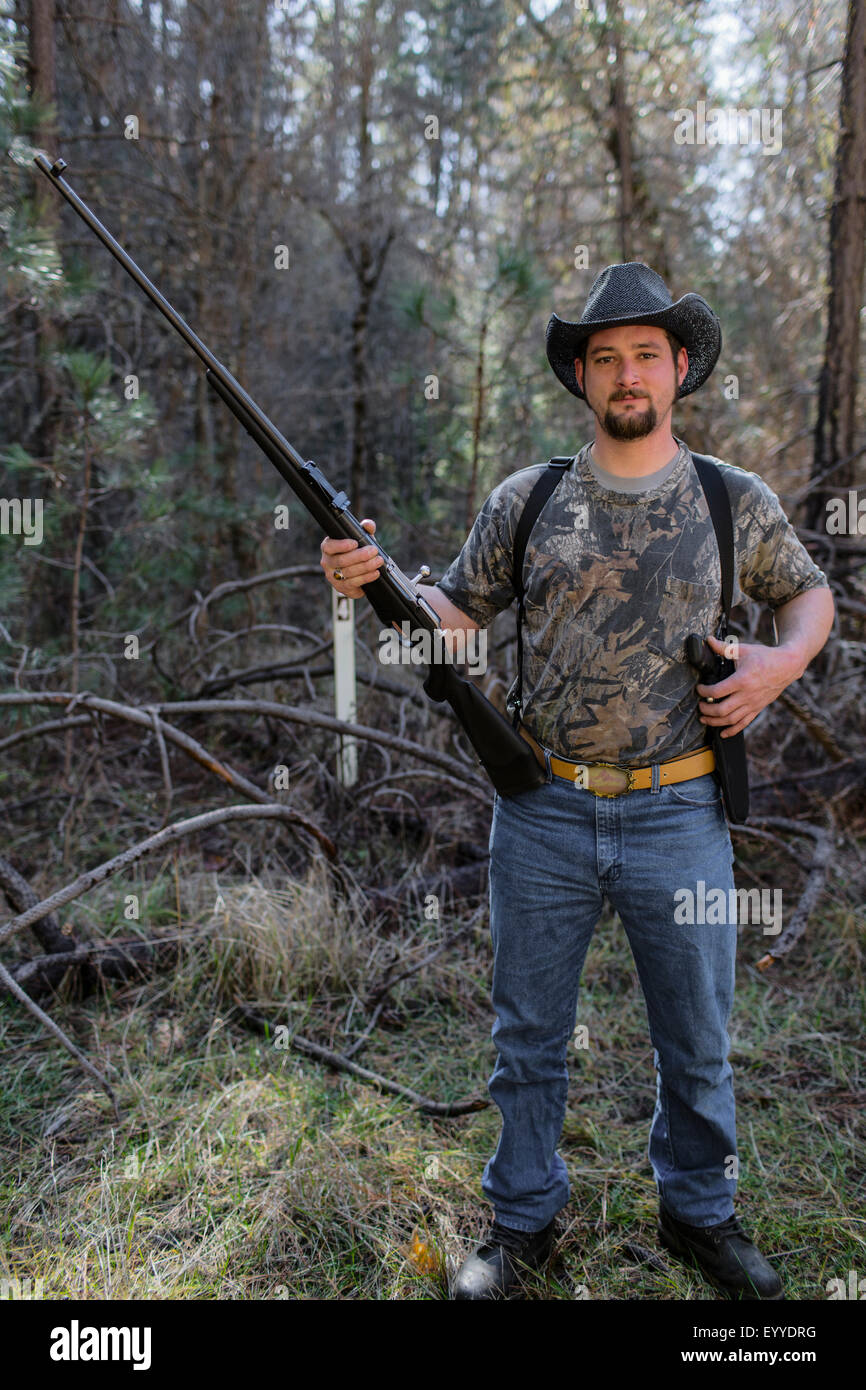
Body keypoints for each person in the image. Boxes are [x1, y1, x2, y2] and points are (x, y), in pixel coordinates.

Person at [320, 263, 835, 1300]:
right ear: (582, 378)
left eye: (645, 353)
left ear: (678, 367)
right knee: (525, 1034)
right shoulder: (530, 497)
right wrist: (376, 578)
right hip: (542, 805)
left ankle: (698, 1213)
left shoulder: (732, 501)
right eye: (605, 358)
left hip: (681, 807)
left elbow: (808, 597)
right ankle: (522, 1222)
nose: (626, 373)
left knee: (695, 1037)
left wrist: (776, 669)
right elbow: (453, 615)